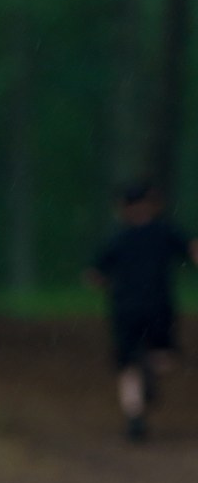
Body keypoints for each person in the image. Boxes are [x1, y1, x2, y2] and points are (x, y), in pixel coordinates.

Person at [87, 180, 196, 444]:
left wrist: (111, 284)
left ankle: (134, 414)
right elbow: (192, 250)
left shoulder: (118, 238)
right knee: (163, 356)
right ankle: (150, 372)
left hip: (125, 307)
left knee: (127, 364)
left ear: (123, 208)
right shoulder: (165, 232)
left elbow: (93, 275)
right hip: (158, 305)